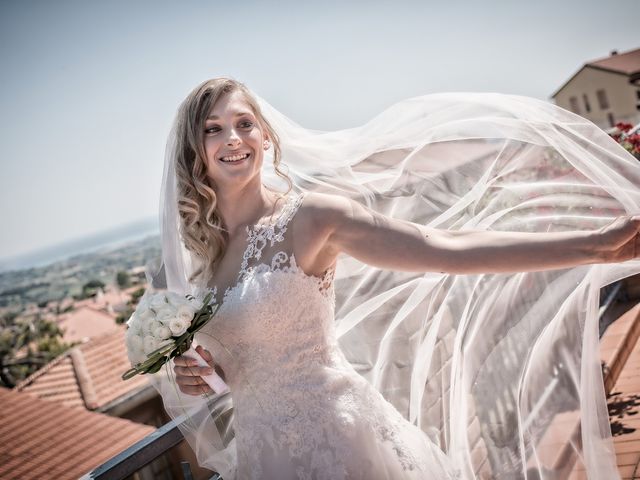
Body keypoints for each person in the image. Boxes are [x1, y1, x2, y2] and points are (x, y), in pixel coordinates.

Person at [150, 77, 640, 479]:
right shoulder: (207, 259)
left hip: (339, 447)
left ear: (266, 137)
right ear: (196, 148)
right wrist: (201, 377)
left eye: (244, 123)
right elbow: (239, 363)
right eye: (214, 129)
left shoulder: (312, 219)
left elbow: (445, 249)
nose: (233, 139)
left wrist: (593, 245)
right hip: (264, 460)